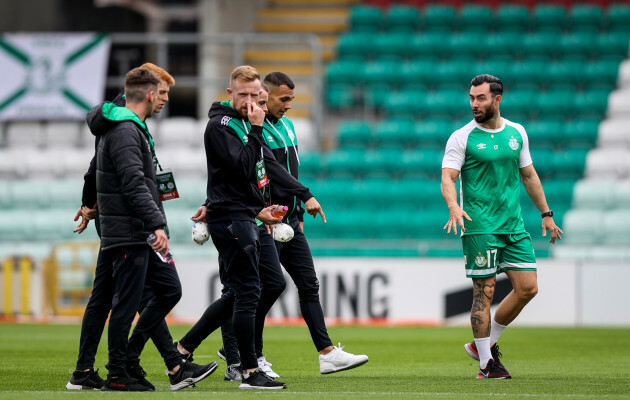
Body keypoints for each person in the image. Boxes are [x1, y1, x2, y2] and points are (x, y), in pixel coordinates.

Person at [68, 64, 216, 392]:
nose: (165, 99)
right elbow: (131, 181)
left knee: (117, 297)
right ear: (150, 92)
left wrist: (92, 203)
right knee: (140, 297)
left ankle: (101, 369)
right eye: (162, 92)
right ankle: (127, 368)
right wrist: (156, 223)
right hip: (131, 227)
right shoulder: (124, 127)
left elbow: (103, 171)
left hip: (127, 224)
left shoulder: (126, 125)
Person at [215, 72, 369, 378]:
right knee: (257, 288)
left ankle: (327, 354)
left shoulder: (286, 126)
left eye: (291, 99)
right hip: (265, 220)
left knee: (308, 284)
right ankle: (246, 353)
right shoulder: (250, 129)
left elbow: (289, 172)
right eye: (283, 99)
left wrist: (297, 209)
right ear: (264, 96)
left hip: (289, 221)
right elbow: (266, 172)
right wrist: (302, 194)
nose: (288, 105)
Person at [174, 65, 295, 390]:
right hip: (232, 219)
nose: (250, 100)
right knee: (248, 293)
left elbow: (252, 173)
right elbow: (242, 168)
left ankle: (183, 349)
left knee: (250, 289)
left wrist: (261, 209)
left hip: (246, 215)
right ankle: (248, 369)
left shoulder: (242, 124)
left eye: (255, 95)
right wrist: (256, 130)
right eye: (243, 94)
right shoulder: (222, 125)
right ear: (230, 94)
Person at [441, 74, 563, 379]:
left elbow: (529, 175)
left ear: (497, 99)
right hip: (480, 225)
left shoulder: (517, 132)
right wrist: (454, 206)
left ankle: (484, 344)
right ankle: (486, 365)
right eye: (471, 98)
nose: (474, 104)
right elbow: (448, 178)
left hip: (514, 226)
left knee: (528, 288)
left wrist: (546, 213)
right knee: (484, 292)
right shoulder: (461, 137)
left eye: (480, 98)